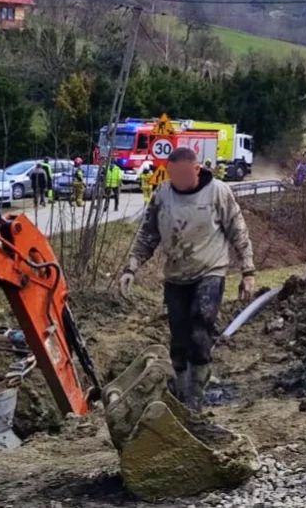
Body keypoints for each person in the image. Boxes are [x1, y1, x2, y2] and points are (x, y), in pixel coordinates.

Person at [118, 146, 256, 412]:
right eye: (173, 176)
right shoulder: (163, 195)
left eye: (182, 175)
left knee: (200, 324)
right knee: (179, 337)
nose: (177, 181)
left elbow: (238, 231)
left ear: (196, 169)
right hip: (176, 277)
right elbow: (147, 235)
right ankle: (182, 392)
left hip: (210, 271)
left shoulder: (217, 192)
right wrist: (131, 268)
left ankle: (196, 392)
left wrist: (247, 271)